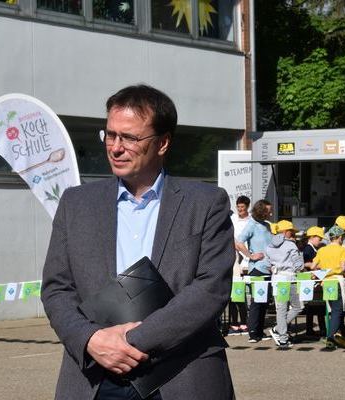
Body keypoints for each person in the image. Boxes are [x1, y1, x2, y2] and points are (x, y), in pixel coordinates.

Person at [41, 85, 235, 400]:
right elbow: (56, 289)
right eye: (110, 135)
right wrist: (91, 340)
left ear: (163, 143)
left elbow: (210, 289)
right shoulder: (76, 203)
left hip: (180, 373)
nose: (115, 147)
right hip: (96, 377)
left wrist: (131, 340)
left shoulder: (206, 202)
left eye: (129, 138)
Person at [235, 199, 273, 343]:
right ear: (261, 211)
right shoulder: (252, 224)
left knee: (264, 302)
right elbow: (238, 242)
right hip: (257, 269)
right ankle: (252, 333)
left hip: (268, 269)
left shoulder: (267, 226)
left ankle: (259, 331)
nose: (271, 212)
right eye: (269, 210)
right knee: (257, 301)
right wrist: (250, 255)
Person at [310, 225, 345, 349]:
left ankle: (336, 335)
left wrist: (323, 269)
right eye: (342, 237)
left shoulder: (322, 250)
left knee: (332, 310)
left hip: (326, 282)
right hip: (337, 280)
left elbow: (313, 266)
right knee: (338, 310)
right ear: (339, 237)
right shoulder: (342, 249)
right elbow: (343, 267)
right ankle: (331, 337)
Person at [266, 220, 304, 349]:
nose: (293, 234)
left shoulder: (269, 246)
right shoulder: (291, 245)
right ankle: (279, 331)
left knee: (281, 309)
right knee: (298, 306)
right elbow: (299, 265)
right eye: (292, 231)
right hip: (290, 278)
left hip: (277, 278)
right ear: (286, 232)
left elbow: (267, 264)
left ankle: (281, 336)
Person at [228, 195, 251, 335]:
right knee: (232, 294)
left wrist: (248, 257)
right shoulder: (233, 219)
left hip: (246, 258)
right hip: (233, 256)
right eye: (238, 207)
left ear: (247, 207)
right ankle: (233, 323)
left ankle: (244, 322)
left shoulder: (251, 221)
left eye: (242, 207)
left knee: (241, 294)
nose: (240, 209)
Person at [302, 226, 326, 338]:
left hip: (315, 278)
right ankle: (310, 329)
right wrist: (317, 267)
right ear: (312, 237)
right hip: (311, 279)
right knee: (312, 307)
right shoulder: (308, 249)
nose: (320, 241)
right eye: (319, 238)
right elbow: (306, 263)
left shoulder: (313, 248)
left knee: (318, 305)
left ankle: (321, 328)